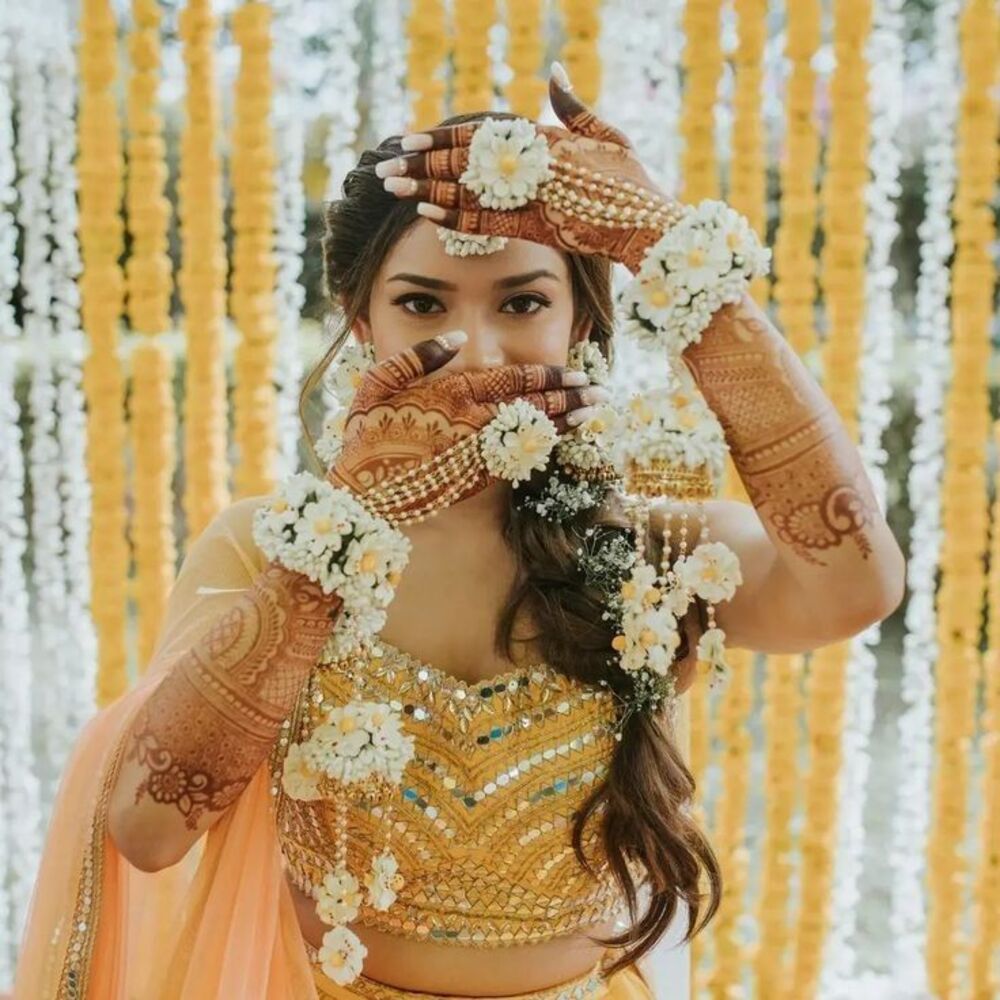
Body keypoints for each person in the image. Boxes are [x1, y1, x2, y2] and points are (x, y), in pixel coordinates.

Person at [12, 65, 905, 1000]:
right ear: (360, 320)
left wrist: (675, 253)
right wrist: (340, 545)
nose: (474, 351)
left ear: (580, 323)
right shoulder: (263, 548)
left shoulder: (656, 548)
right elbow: (148, 830)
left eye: (522, 303)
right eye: (422, 304)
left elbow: (856, 585)